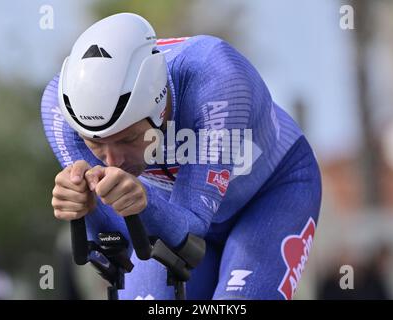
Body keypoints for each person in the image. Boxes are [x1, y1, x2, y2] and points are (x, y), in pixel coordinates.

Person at [41, 13, 322, 300]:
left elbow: (190, 232)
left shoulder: (219, 78)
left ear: (159, 108)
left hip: (269, 195)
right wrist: (86, 211)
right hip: (170, 209)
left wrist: (145, 204)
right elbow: (115, 245)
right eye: (95, 143)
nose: (113, 162)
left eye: (128, 139)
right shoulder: (59, 113)